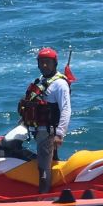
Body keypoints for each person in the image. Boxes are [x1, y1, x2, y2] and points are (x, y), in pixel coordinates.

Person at [17, 47, 72, 192]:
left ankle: (44, 195)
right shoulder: (41, 81)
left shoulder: (60, 84)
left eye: (47, 62)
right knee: (50, 161)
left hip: (48, 132)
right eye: (41, 62)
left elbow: (66, 110)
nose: (44, 66)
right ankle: (57, 188)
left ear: (55, 63)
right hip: (37, 130)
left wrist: (60, 134)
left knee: (43, 167)